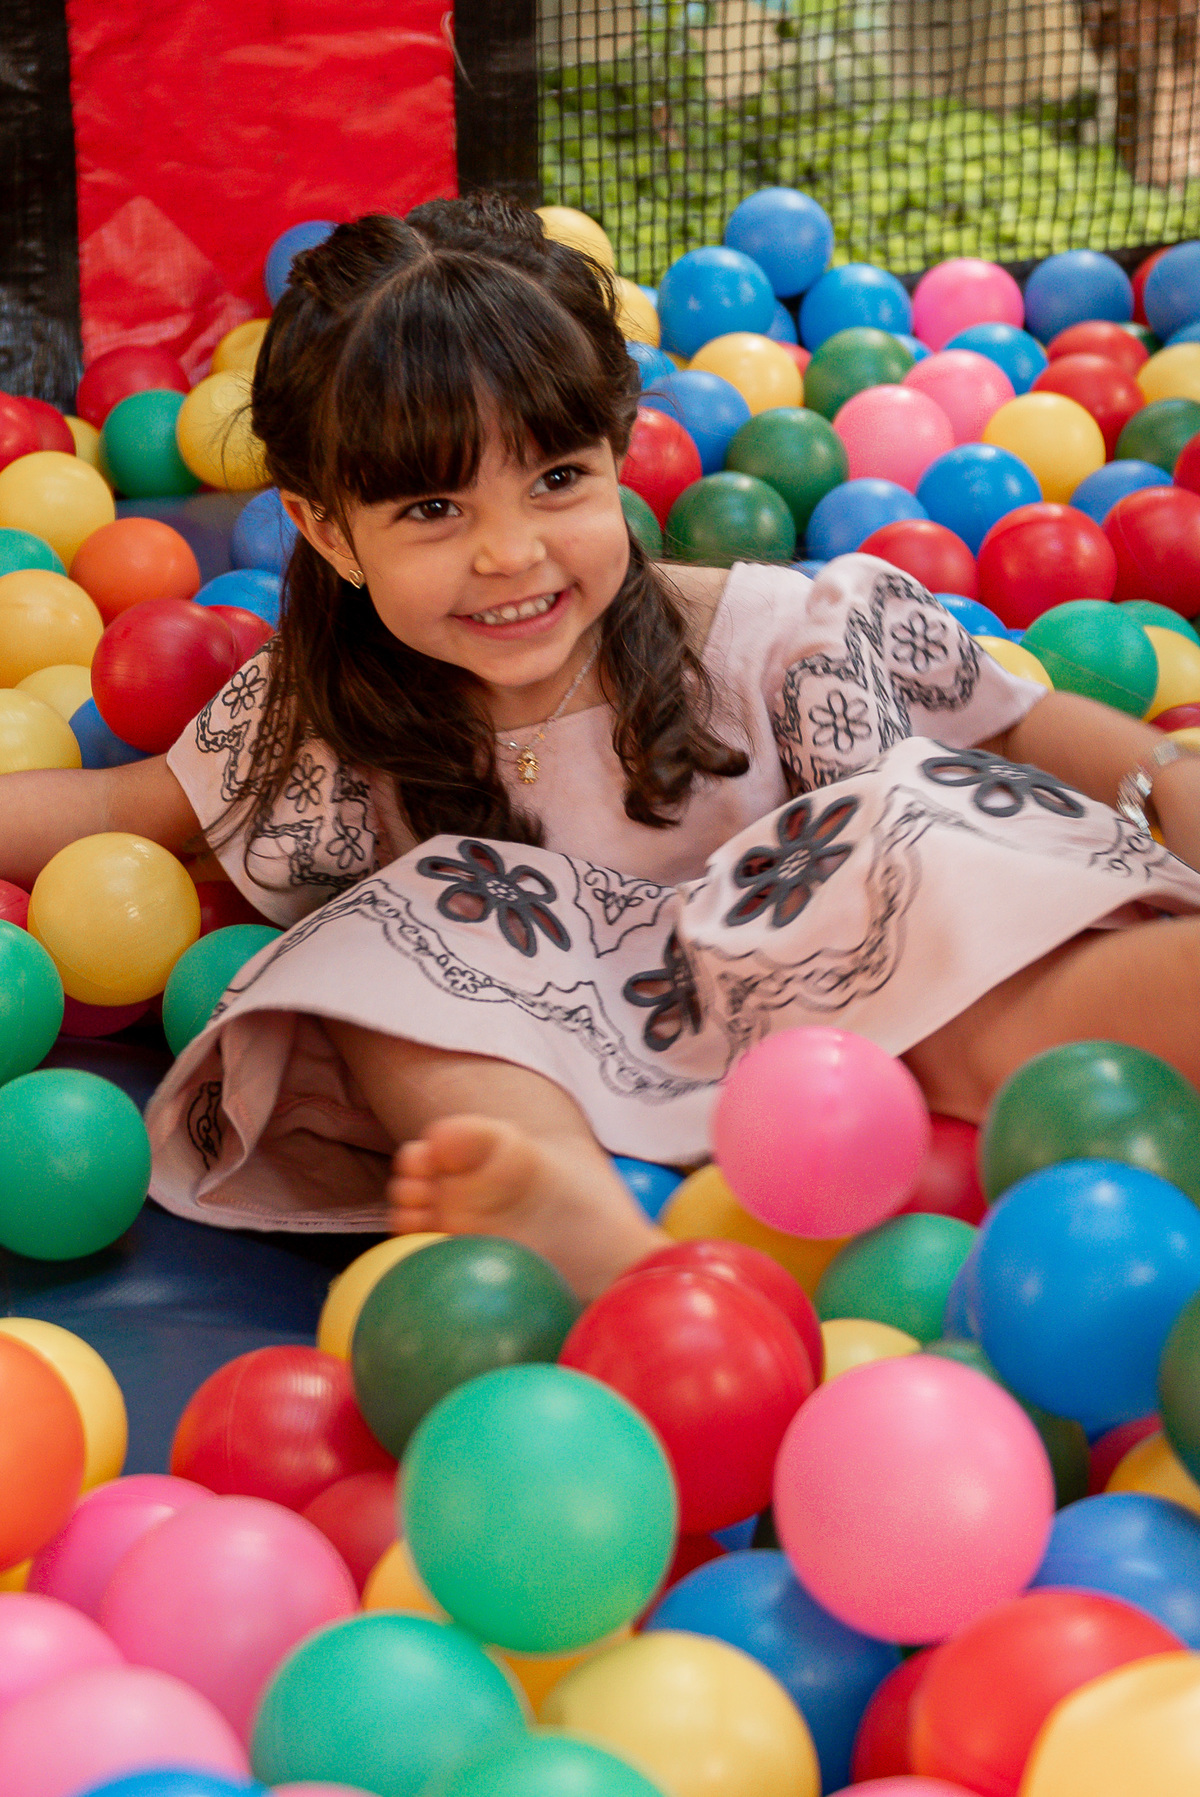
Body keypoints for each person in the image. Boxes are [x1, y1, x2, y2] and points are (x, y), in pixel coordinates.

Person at [5, 196, 1200, 1302]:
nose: (510, 553)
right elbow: (118, 812)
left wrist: (1168, 778)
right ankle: (559, 1202)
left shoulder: (776, 637)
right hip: (554, 1038)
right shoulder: (322, 717)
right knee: (381, 947)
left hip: (847, 1007)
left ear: (617, 455)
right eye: (434, 510)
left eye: (557, 480)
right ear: (328, 532)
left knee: (918, 840)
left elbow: (1011, 718)